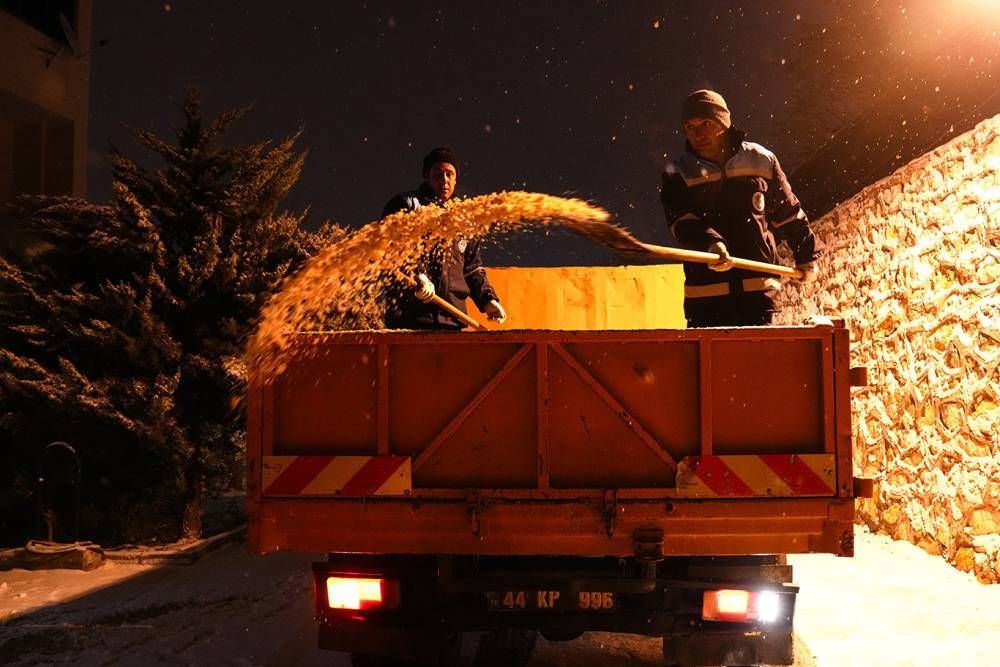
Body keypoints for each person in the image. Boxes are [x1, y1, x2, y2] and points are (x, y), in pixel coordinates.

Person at [659, 89, 819, 327]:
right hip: (706, 299)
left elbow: (788, 213)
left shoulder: (762, 160)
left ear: (724, 122)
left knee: (761, 363)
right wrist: (712, 244)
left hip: (760, 295)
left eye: (705, 123)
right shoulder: (677, 173)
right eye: (690, 127)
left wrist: (806, 255)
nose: (698, 133)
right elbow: (682, 223)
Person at [381, 146, 507, 330]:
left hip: (452, 322)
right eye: (438, 174)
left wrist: (488, 300)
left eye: (450, 174)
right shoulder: (406, 206)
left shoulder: (464, 218)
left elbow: (472, 268)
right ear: (426, 175)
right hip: (408, 322)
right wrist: (418, 275)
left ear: (456, 178)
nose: (444, 180)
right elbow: (391, 249)